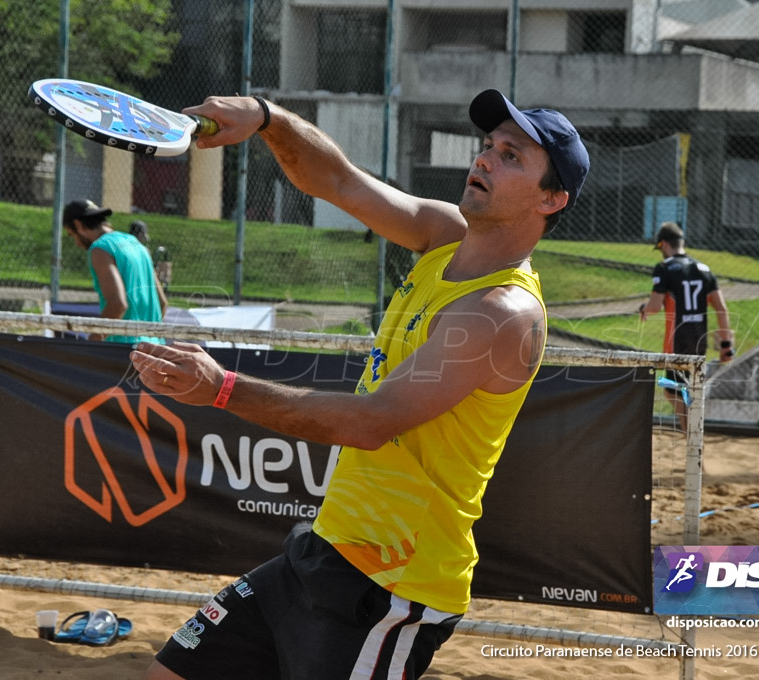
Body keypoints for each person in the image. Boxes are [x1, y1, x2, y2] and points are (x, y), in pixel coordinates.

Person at [129, 89, 589, 680]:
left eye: (510, 157)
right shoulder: (444, 236)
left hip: (392, 585)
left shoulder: (502, 313)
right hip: (324, 547)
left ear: (551, 199)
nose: (483, 160)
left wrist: (221, 388)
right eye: (488, 147)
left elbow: (368, 423)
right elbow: (339, 182)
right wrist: (267, 118)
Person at [639, 221, 733, 432]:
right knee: (679, 390)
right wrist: (726, 345)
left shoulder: (665, 268)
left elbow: (655, 306)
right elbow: (722, 308)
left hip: (676, 342)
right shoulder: (704, 269)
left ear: (663, 244)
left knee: (675, 391)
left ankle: (692, 440)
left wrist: (643, 308)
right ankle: (692, 437)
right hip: (699, 341)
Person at [62, 200, 168, 344]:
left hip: (123, 351)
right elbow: (162, 302)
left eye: (72, 234)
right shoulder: (137, 245)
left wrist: (91, 343)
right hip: (154, 349)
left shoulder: (100, 249)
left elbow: (117, 304)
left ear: (78, 225)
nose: (77, 243)